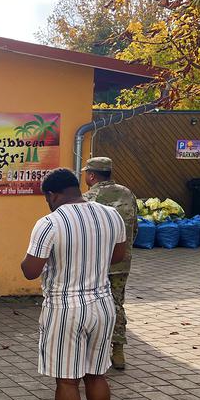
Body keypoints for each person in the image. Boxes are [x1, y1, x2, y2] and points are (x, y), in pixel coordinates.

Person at [21, 168, 126, 400]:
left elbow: (30, 270)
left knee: (67, 380)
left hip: (65, 307)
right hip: (104, 305)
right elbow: (116, 256)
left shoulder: (50, 223)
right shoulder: (110, 215)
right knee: (97, 374)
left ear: (51, 195)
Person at [82, 157, 137, 370]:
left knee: (95, 306)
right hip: (122, 261)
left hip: (96, 264)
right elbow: (135, 227)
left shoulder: (88, 198)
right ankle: (118, 351)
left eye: (86, 172)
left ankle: (95, 351)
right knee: (116, 303)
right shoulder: (127, 193)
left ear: (92, 175)